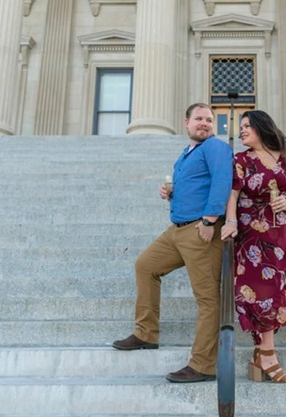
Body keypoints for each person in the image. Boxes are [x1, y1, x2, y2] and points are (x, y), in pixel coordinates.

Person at [112, 103, 233, 383]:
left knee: (207, 298)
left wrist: (209, 220)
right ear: (186, 122)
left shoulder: (215, 148)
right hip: (176, 230)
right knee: (145, 266)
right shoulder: (186, 154)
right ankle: (146, 333)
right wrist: (171, 191)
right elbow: (196, 183)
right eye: (199, 119)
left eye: (209, 119)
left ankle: (203, 365)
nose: (204, 123)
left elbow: (222, 181)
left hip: (199, 230)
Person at [220, 109, 286, 383]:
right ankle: (268, 356)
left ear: (262, 128)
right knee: (262, 292)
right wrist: (230, 221)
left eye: (247, 126)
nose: (241, 131)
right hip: (252, 234)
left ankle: (259, 356)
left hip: (281, 234)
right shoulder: (241, 160)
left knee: (277, 290)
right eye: (240, 127)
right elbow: (233, 193)